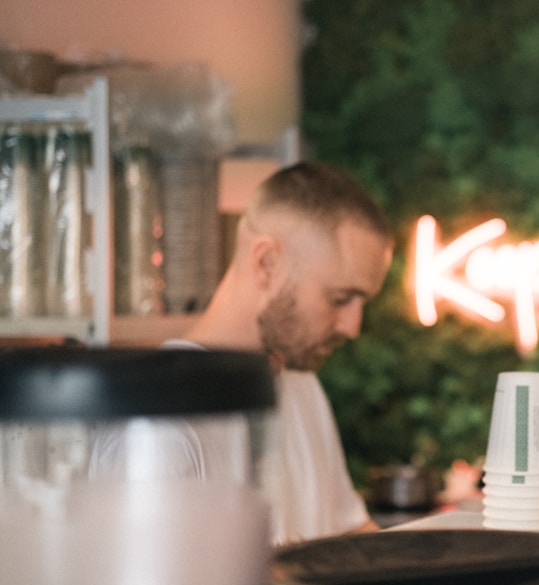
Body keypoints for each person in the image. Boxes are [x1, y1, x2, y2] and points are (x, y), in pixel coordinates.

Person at [92, 161, 393, 544]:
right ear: (267, 263)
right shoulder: (160, 422)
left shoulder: (303, 387)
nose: (352, 326)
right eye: (340, 298)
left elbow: (350, 537)